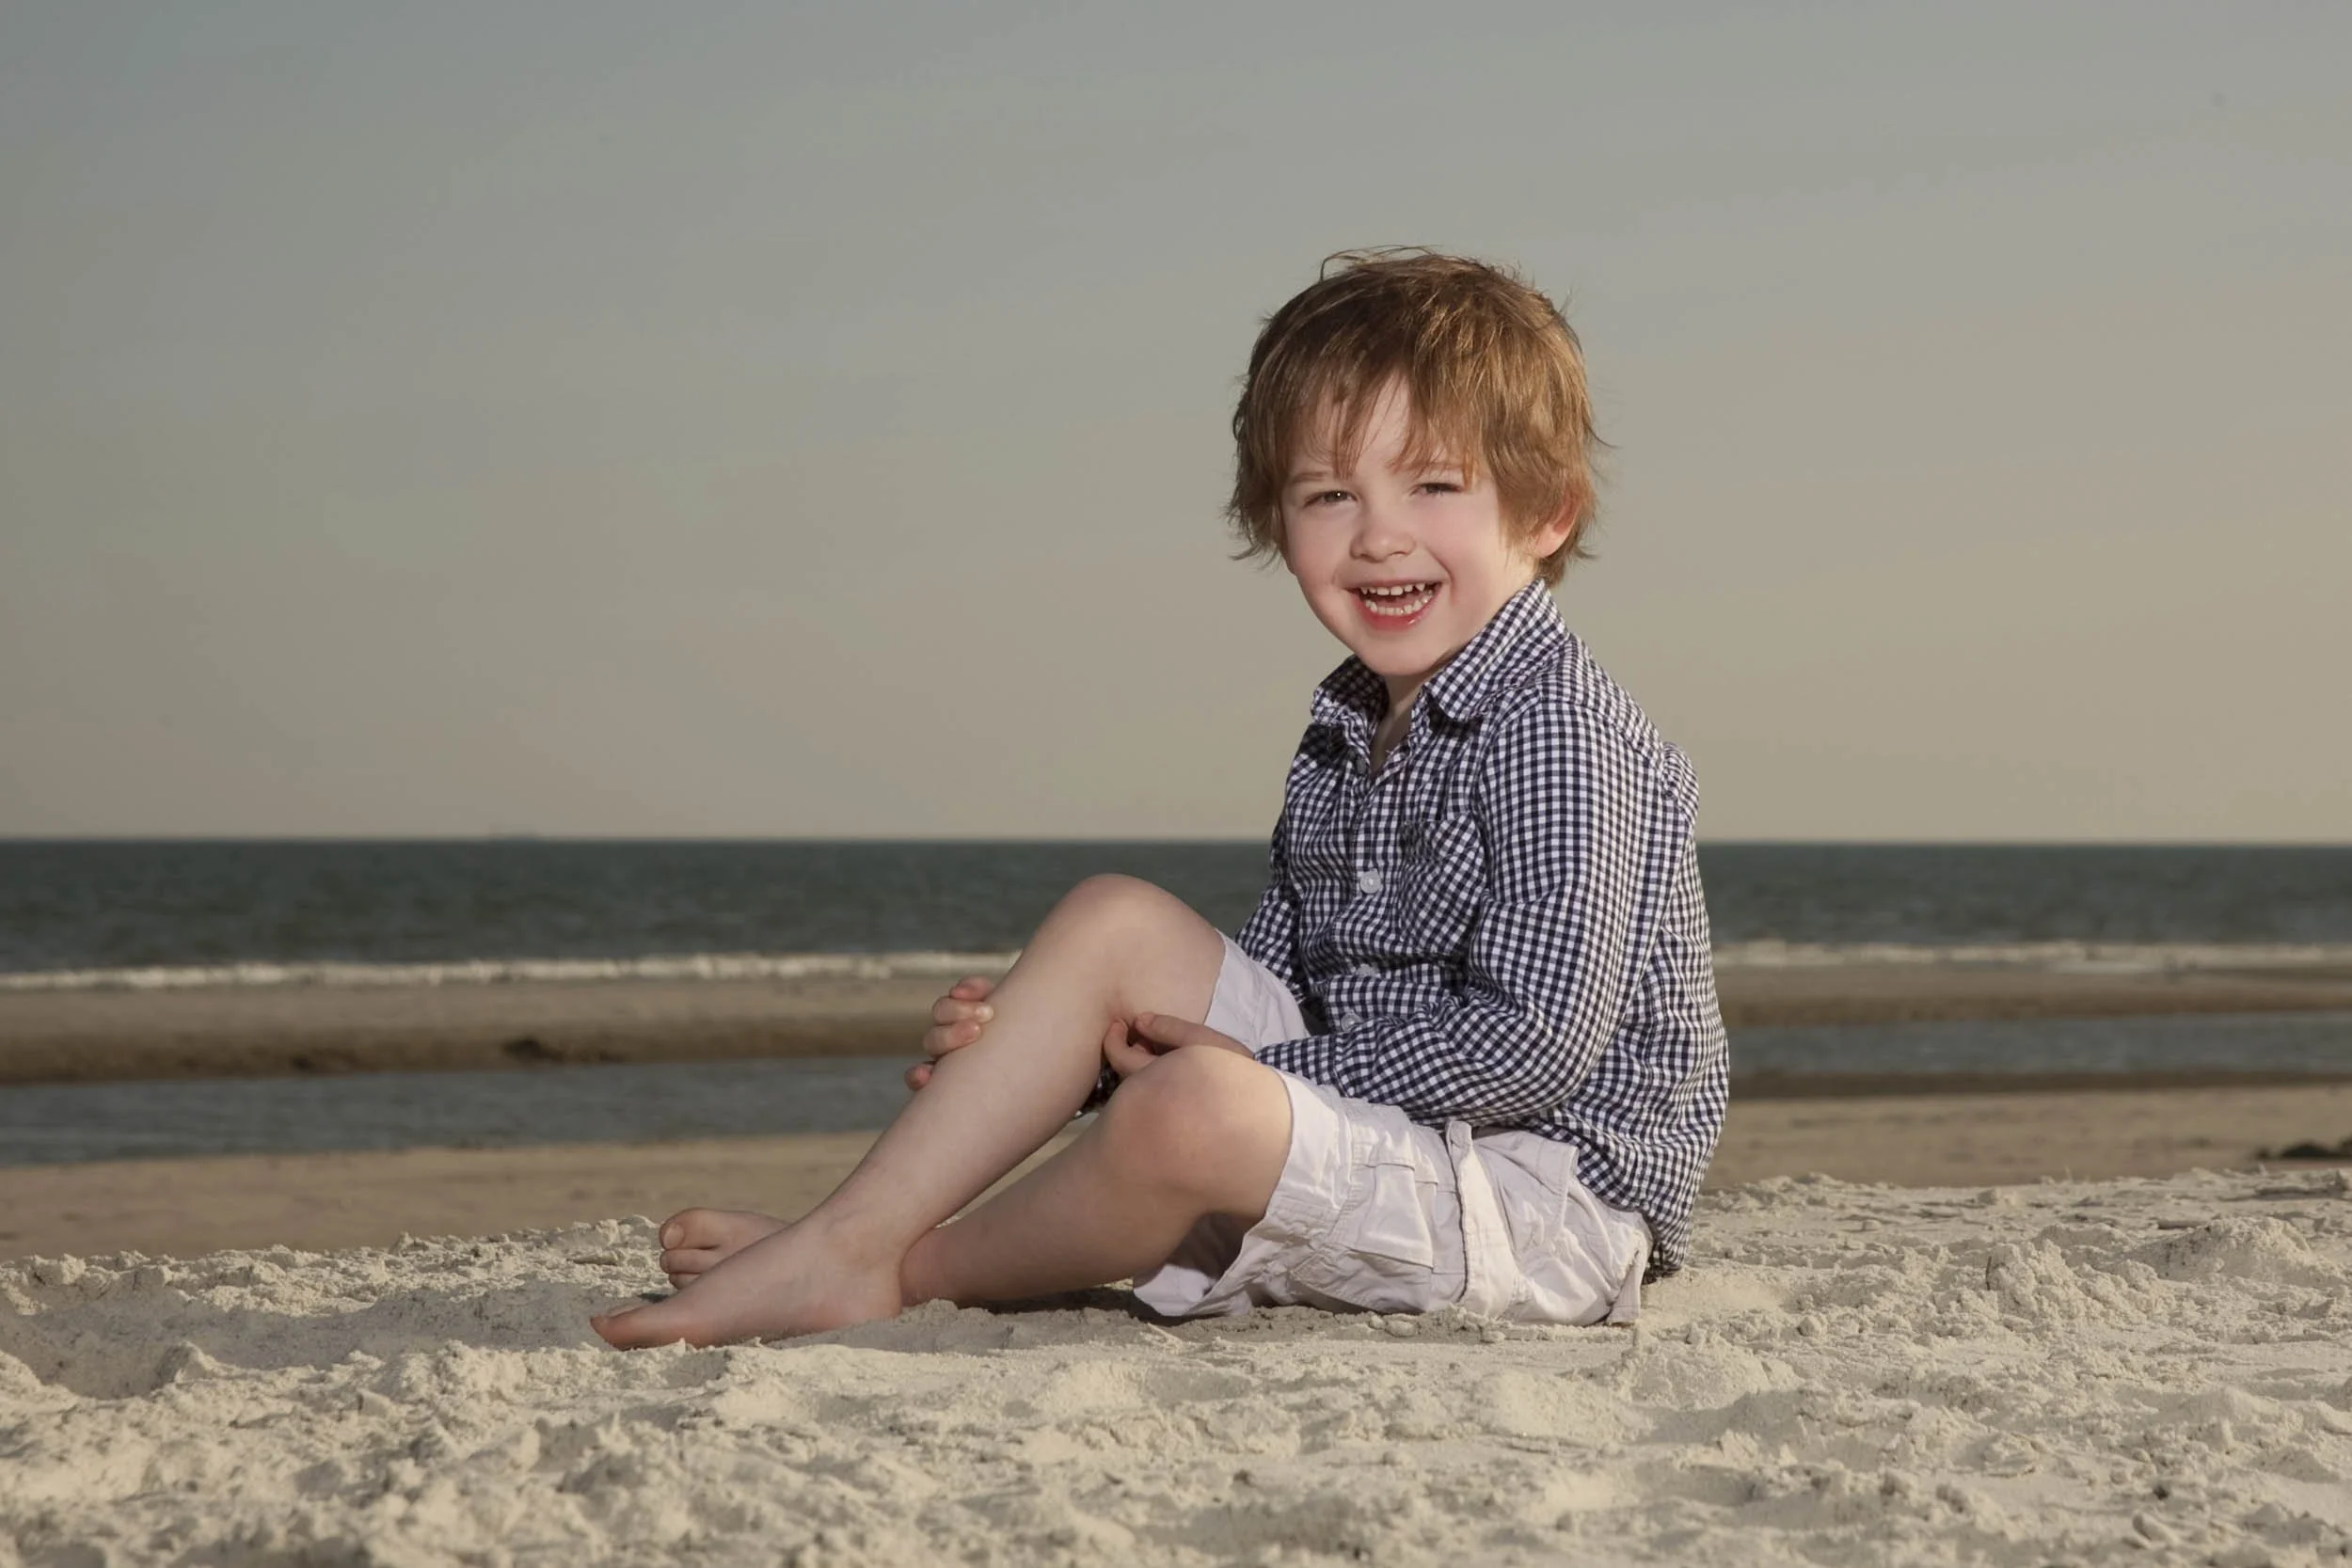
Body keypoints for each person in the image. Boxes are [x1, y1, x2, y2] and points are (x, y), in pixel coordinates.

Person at [593, 251, 1727, 1350]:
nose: (1379, 533)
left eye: (1432, 483)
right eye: (1329, 493)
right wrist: (1072, 1046)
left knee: (1194, 1111)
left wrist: (1234, 1075)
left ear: (1544, 513)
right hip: (1381, 1127)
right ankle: (854, 1228)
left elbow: (1532, 1042)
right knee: (1114, 919)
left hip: (1545, 1195)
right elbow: (1283, 987)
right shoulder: (1344, 723)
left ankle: (895, 1272)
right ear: (1275, 524)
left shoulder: (1557, 727)